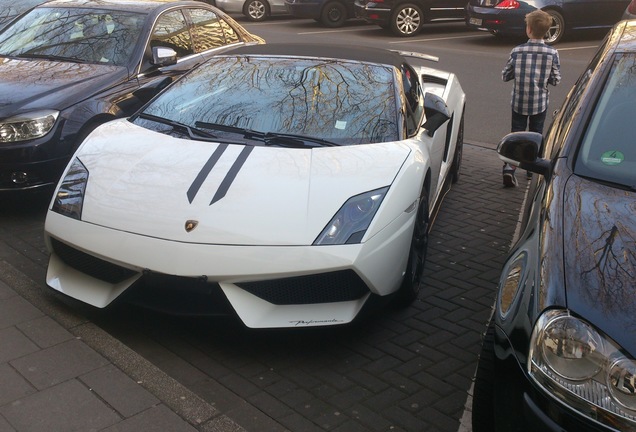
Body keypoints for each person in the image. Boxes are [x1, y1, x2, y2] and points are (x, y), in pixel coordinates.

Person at [501, 9, 561, 187]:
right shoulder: (552, 54)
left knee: (516, 135)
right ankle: (531, 169)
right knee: (536, 134)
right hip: (539, 102)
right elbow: (556, 79)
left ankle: (510, 168)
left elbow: (505, 75)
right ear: (547, 31)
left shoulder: (517, 51)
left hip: (519, 101)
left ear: (528, 29)